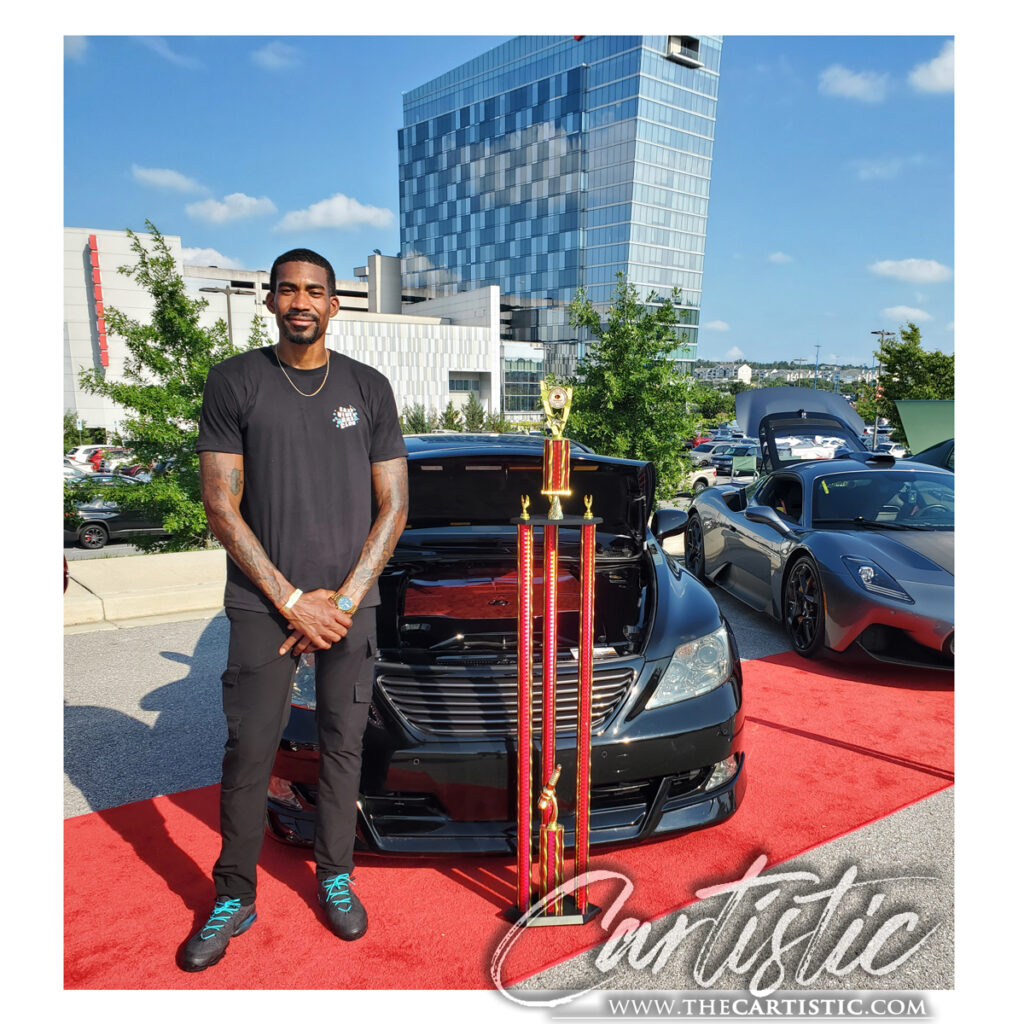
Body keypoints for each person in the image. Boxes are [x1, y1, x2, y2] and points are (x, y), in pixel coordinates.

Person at [182, 248, 408, 972]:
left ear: (335, 304)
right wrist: (289, 600)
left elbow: (394, 505)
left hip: (348, 604)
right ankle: (234, 893)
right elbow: (221, 505)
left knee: (343, 745)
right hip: (261, 603)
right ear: (271, 301)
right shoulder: (235, 381)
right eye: (288, 289)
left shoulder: (369, 388)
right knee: (250, 749)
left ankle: (335, 875)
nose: (301, 301)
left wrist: (338, 603)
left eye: (315, 290)